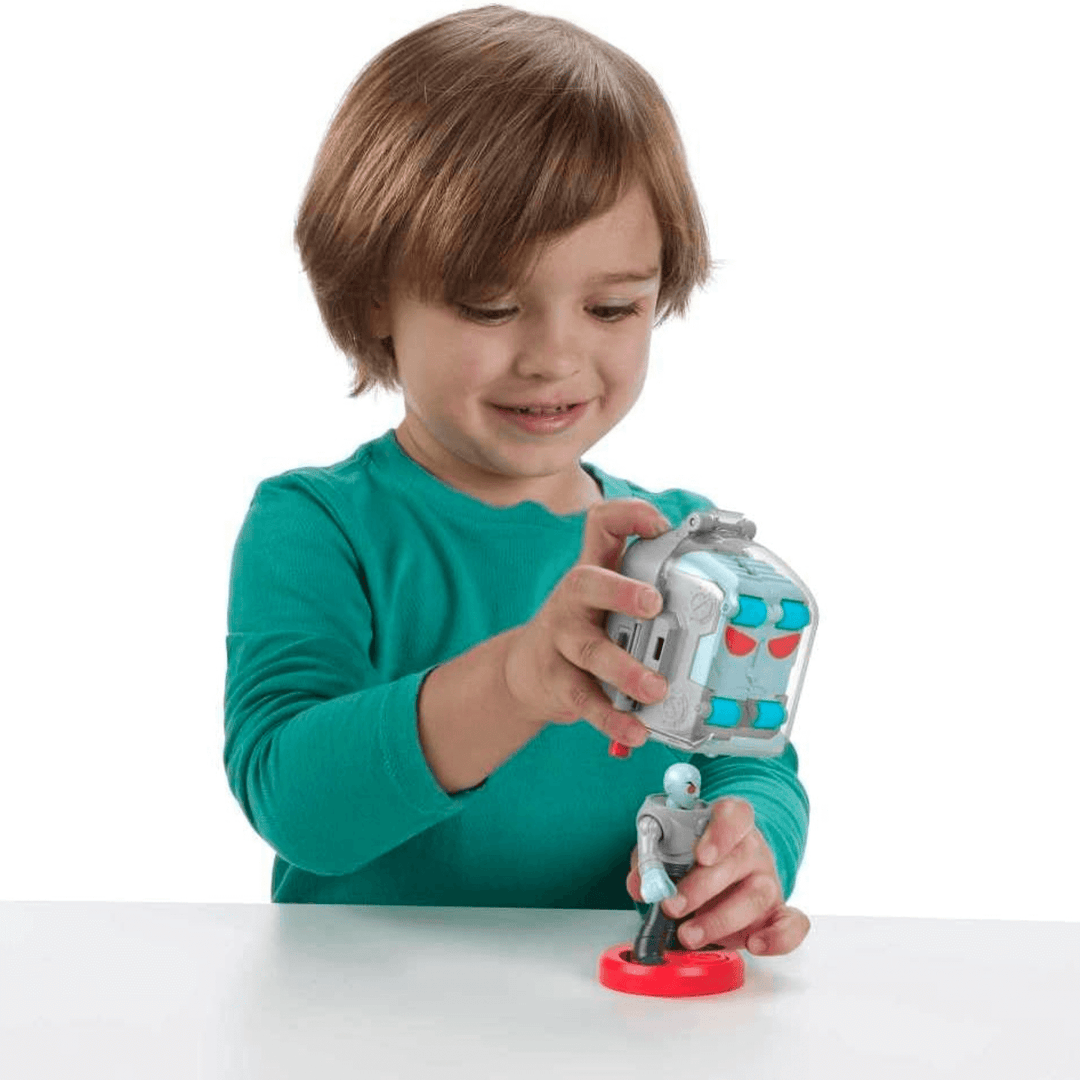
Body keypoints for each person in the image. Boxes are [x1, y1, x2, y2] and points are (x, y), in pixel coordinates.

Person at [224, 4, 811, 958]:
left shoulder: (677, 548)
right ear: (375, 295)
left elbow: (755, 768)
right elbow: (294, 805)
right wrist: (520, 679)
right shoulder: (317, 525)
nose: (555, 356)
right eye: (492, 304)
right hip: (355, 1021)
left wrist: (751, 851)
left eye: (613, 306)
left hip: (605, 1021)